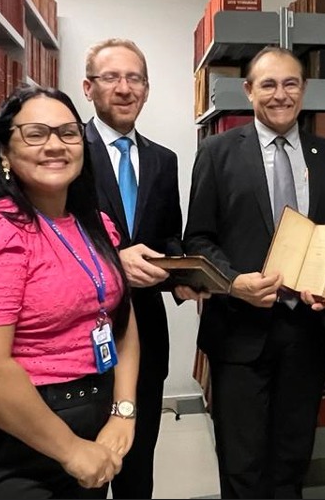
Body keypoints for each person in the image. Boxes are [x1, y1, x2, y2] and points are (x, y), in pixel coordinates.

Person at [0, 85, 141, 498]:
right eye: (36, 133)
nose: (55, 145)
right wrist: (69, 450)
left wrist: (123, 411)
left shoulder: (94, 226)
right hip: (17, 447)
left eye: (68, 133)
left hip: (94, 433)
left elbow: (121, 321)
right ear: (3, 152)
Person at [183, 46, 325, 499]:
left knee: (291, 461)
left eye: (290, 84)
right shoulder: (218, 152)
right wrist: (233, 283)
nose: (280, 94)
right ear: (248, 91)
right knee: (242, 467)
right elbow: (198, 240)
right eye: (268, 84)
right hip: (239, 333)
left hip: (306, 331)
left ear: (303, 89)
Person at [82, 37, 201, 499]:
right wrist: (115, 263)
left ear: (147, 90)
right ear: (88, 87)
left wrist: (184, 275)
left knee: (138, 464)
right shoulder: (69, 152)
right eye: (112, 78)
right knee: (89, 464)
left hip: (148, 329)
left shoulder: (162, 159)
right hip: (83, 332)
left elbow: (168, 233)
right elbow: (56, 237)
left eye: (134, 79)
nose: (124, 88)